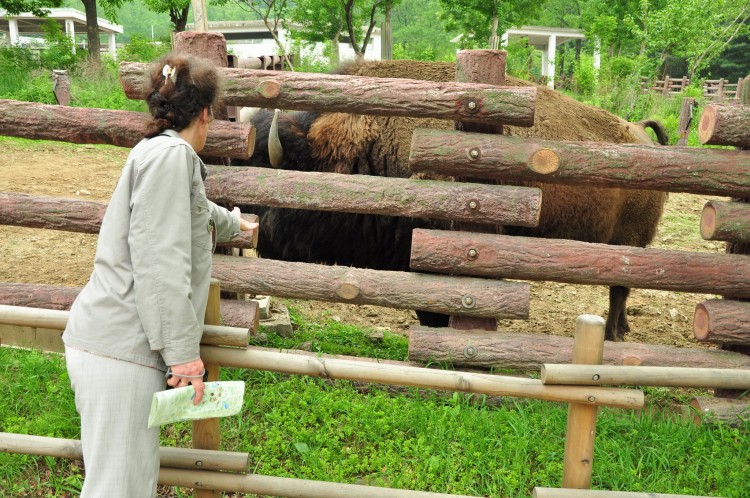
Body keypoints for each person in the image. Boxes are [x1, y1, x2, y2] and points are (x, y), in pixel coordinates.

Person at [62, 52, 257, 497]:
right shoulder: (172, 157)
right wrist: (183, 355)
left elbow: (185, 211)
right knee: (119, 488)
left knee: (126, 480)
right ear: (206, 113)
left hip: (116, 345)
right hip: (123, 350)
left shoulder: (158, 152)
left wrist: (231, 222)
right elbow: (159, 259)